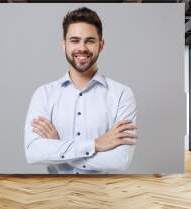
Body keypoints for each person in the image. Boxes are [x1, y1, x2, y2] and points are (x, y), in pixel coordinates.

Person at [24, 7, 137, 174]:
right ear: (64, 45)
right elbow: (33, 153)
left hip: (103, 194)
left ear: (101, 45)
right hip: (55, 192)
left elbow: (121, 161)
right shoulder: (44, 94)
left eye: (90, 40)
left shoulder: (122, 94)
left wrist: (58, 148)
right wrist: (96, 144)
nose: (82, 48)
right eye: (75, 40)